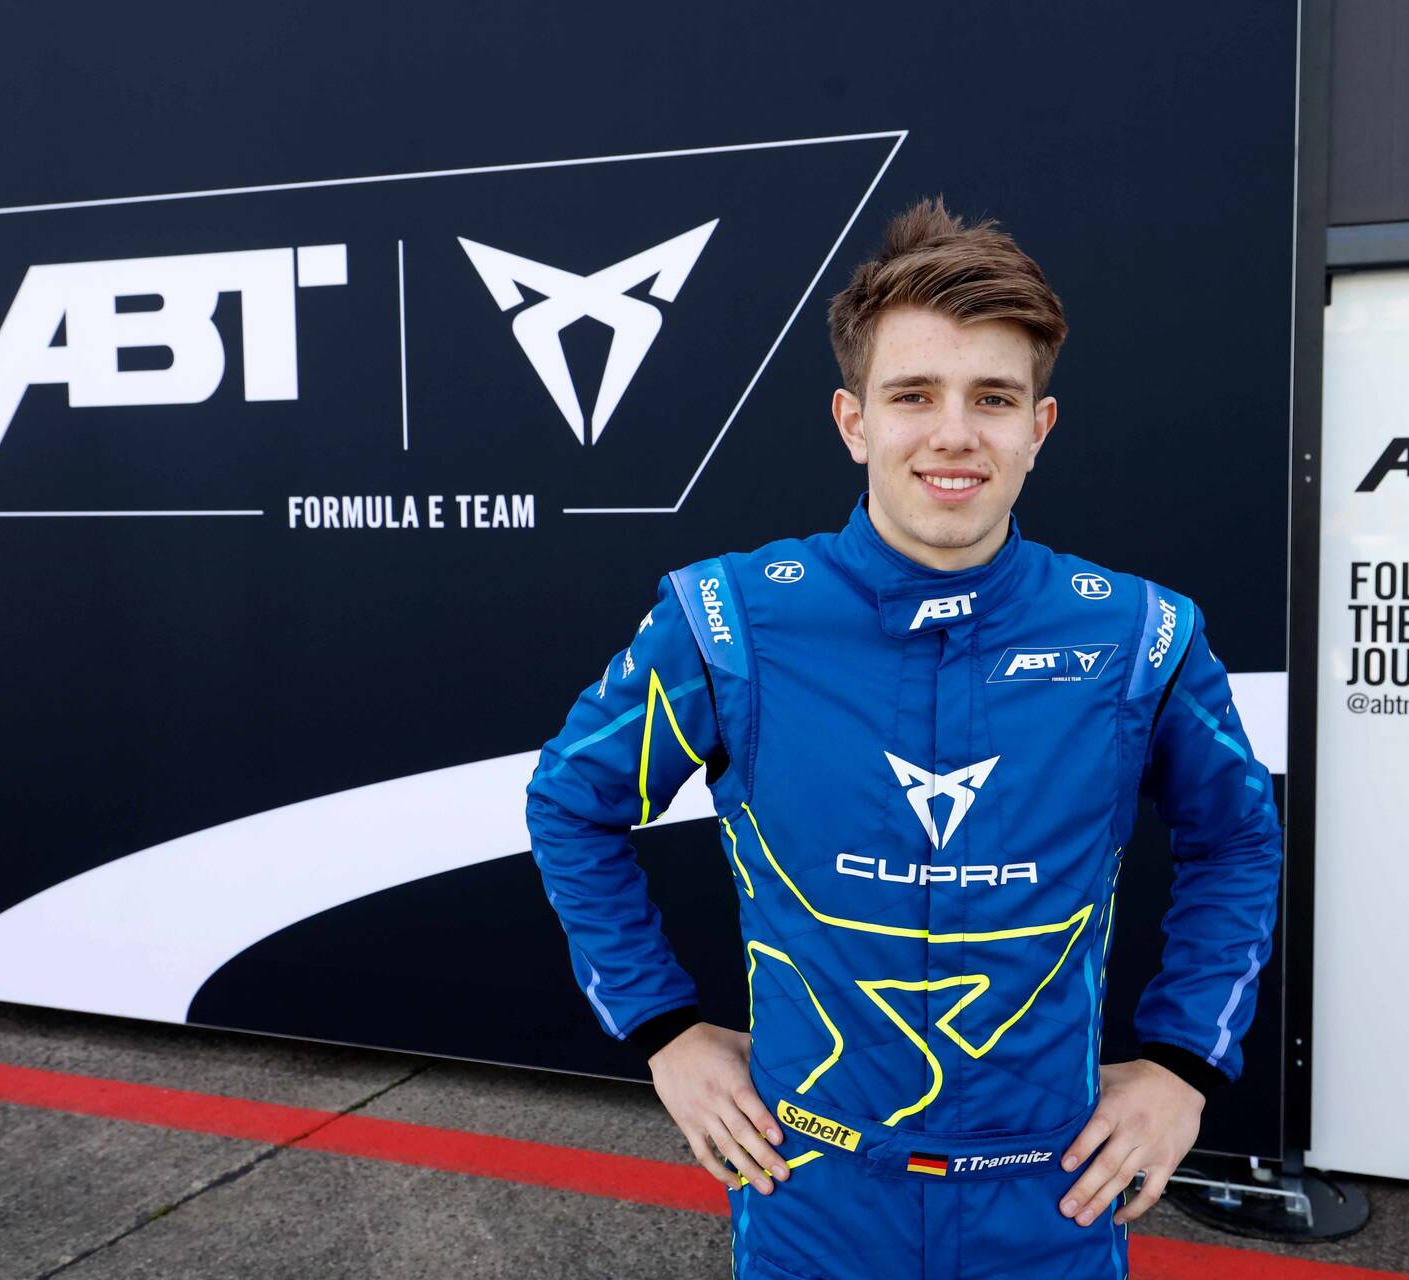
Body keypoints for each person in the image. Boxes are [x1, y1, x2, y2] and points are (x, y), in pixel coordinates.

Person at [525, 197, 1283, 1280]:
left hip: (1052, 1198)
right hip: (810, 1195)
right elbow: (569, 798)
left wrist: (1183, 1062)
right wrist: (663, 1032)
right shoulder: (729, 620)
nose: (954, 433)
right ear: (854, 421)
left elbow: (1237, 841)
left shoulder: (1141, 635)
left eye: (993, 398)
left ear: (1040, 427)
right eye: (914, 394)